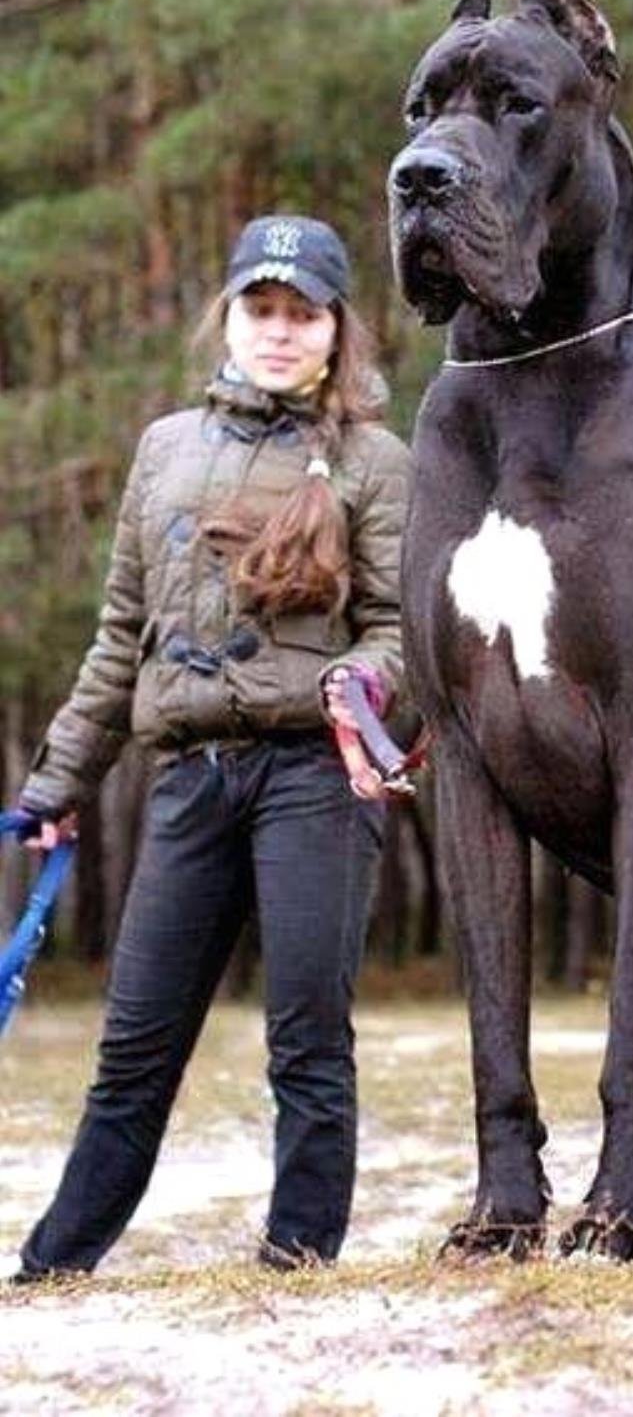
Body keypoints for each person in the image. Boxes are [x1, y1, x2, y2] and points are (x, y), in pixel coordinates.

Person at [10, 214, 410, 1280]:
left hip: (315, 776)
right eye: (260, 308)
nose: (278, 330)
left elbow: (398, 627)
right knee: (135, 1042)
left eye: (302, 313)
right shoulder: (165, 448)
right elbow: (119, 636)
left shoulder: (376, 462)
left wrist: (361, 684)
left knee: (307, 1036)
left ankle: (299, 1256)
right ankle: (54, 1263)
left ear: (336, 329)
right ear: (228, 316)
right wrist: (57, 781)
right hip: (190, 777)